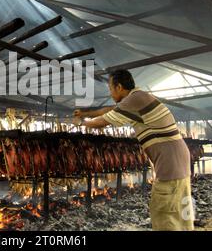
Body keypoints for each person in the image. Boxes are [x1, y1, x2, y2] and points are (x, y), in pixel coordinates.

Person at [73, 69, 194, 231]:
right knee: (180, 213)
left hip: (169, 164)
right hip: (178, 161)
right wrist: (85, 113)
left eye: (110, 88)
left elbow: (103, 121)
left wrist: (81, 123)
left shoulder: (135, 100)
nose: (110, 93)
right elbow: (109, 111)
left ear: (119, 87)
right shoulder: (138, 98)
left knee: (164, 213)